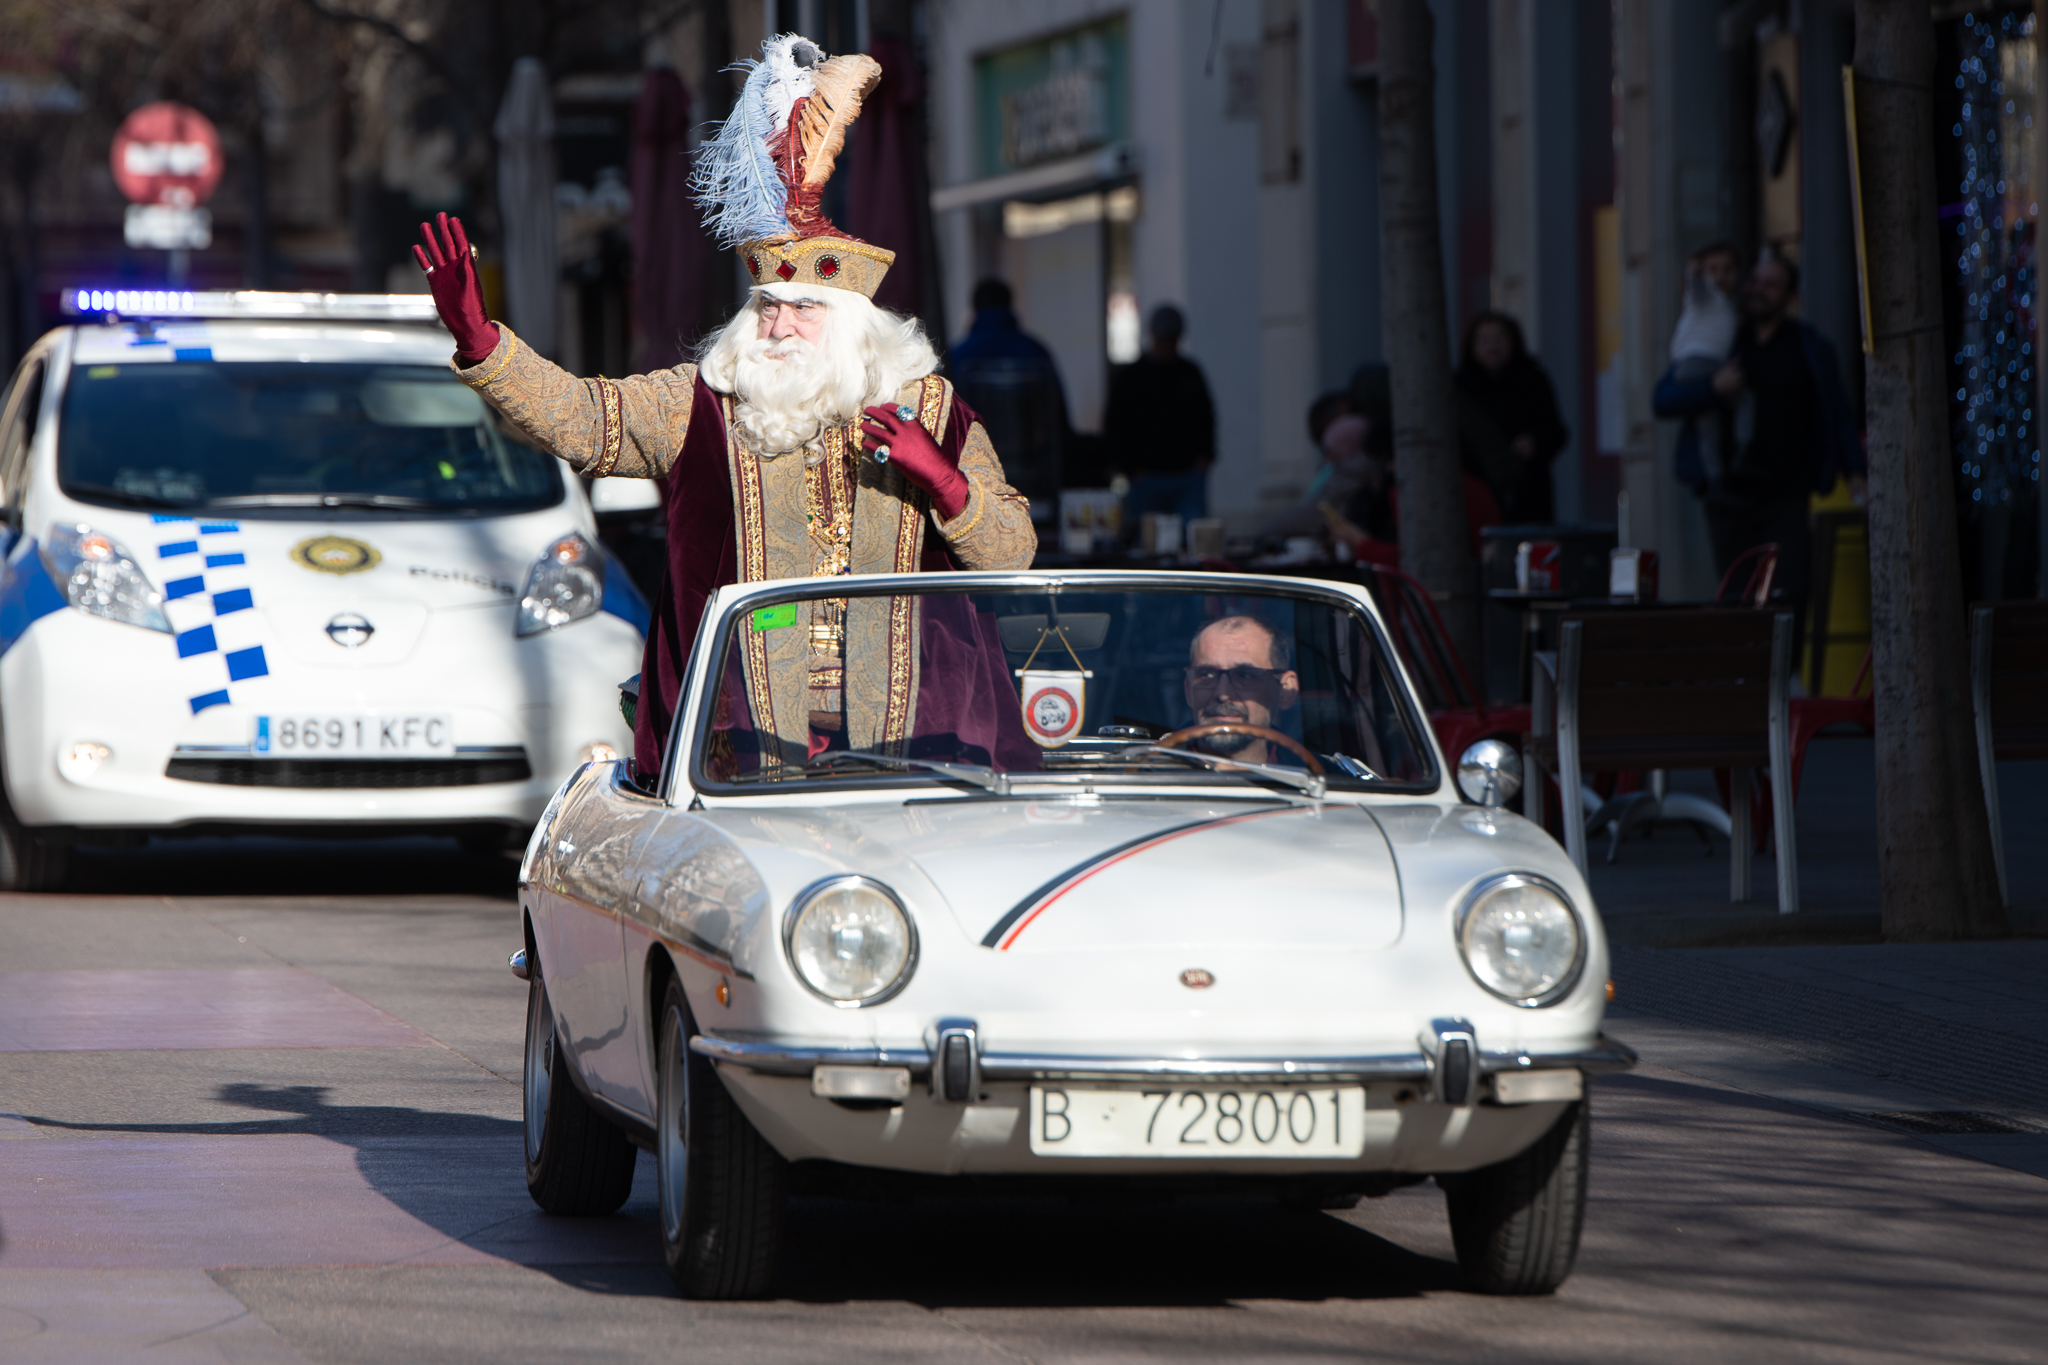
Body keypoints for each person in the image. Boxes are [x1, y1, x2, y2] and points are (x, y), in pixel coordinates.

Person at [412, 35, 1036, 775]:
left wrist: (946, 482)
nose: (777, 327)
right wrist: (482, 342)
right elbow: (582, 417)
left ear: (850, 322)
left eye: (802, 309)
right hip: (741, 750)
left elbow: (1014, 556)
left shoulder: (933, 408)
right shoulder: (703, 401)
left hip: (921, 746)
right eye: (767, 307)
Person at [1652, 252, 1864, 629]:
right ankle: (1744, 677)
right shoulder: (1721, 340)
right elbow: (1663, 399)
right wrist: (1712, 388)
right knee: (1737, 595)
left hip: (1787, 493)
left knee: (1788, 592)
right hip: (1728, 494)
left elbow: (1837, 414)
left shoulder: (1809, 346)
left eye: (1770, 284)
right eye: (1754, 281)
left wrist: (1856, 473)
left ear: (1790, 296)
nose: (1757, 291)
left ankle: (1786, 677)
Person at [946, 279, 1070, 526]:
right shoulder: (1037, 352)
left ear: (974, 308)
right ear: (1011, 305)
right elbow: (1059, 423)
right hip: (1035, 484)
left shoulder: (957, 357)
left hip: (973, 483)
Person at [1105, 303, 1216, 525]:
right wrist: (1129, 468)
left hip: (1186, 475)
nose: (1167, 345)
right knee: (1146, 538)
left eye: (1171, 338)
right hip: (1147, 478)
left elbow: (1207, 417)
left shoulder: (1189, 373)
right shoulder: (1132, 377)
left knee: (1190, 535)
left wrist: (1204, 458)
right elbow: (1115, 423)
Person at [1454, 311, 1568, 524]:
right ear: (1471, 345)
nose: (1492, 346)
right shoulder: (1460, 388)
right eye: (1484, 340)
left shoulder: (1532, 379)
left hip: (1528, 491)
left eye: (1499, 338)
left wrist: (1534, 443)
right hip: (1477, 488)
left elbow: (1556, 431)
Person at [1182, 616, 1300, 764]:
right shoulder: (1148, 774)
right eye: (1207, 675)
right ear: (1189, 689)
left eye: (1245, 676)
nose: (1222, 694)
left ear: (1285, 691)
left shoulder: (1324, 779)